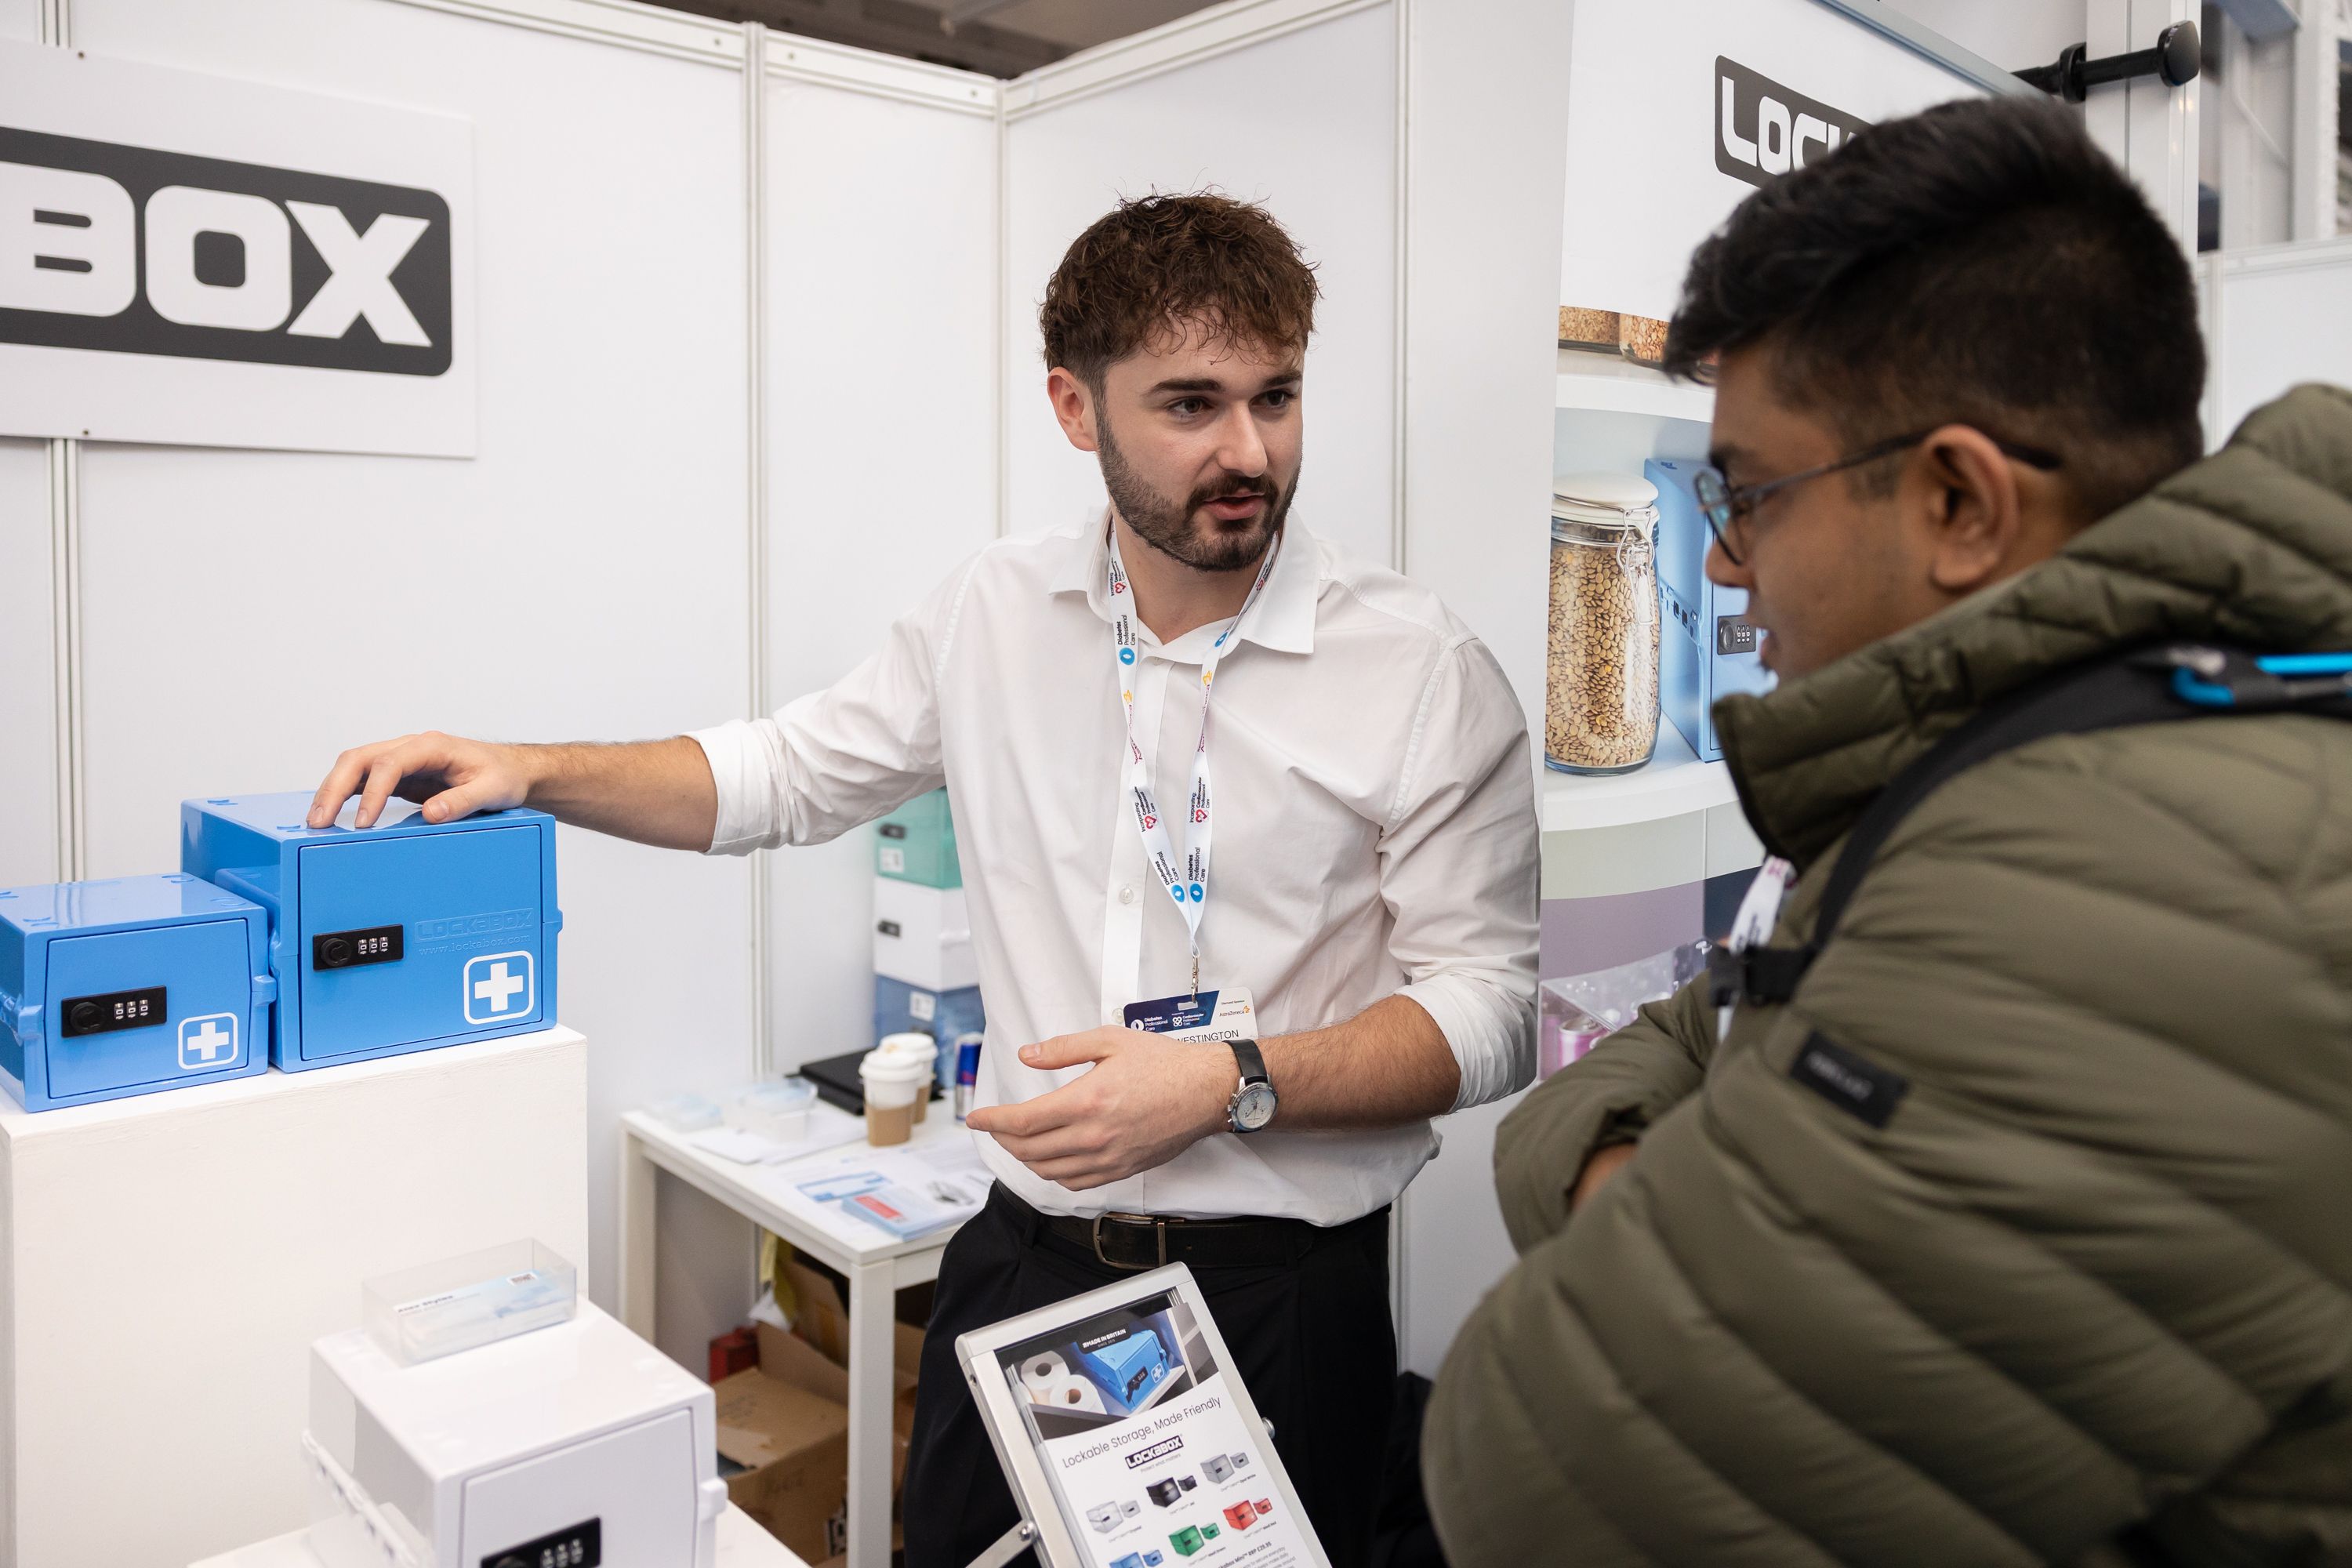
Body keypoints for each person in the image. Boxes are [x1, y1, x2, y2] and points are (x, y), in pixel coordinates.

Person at [307, 192, 1538, 1568]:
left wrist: (1228, 1078)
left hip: (1279, 1295)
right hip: (1026, 1262)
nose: (1249, 451)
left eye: (1278, 398)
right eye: (1190, 405)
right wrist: (533, 767)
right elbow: (783, 773)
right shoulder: (993, 613)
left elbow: (1491, 1011)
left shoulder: (1421, 670)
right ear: (1076, 409)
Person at [1424, 96, 2352, 1568]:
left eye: (1748, 494)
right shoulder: (2161, 740)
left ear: (1960, 503)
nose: (1723, 562)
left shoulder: (2102, 882)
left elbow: (1538, 1464)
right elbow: (1735, 1014)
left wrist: (1603, 1161)